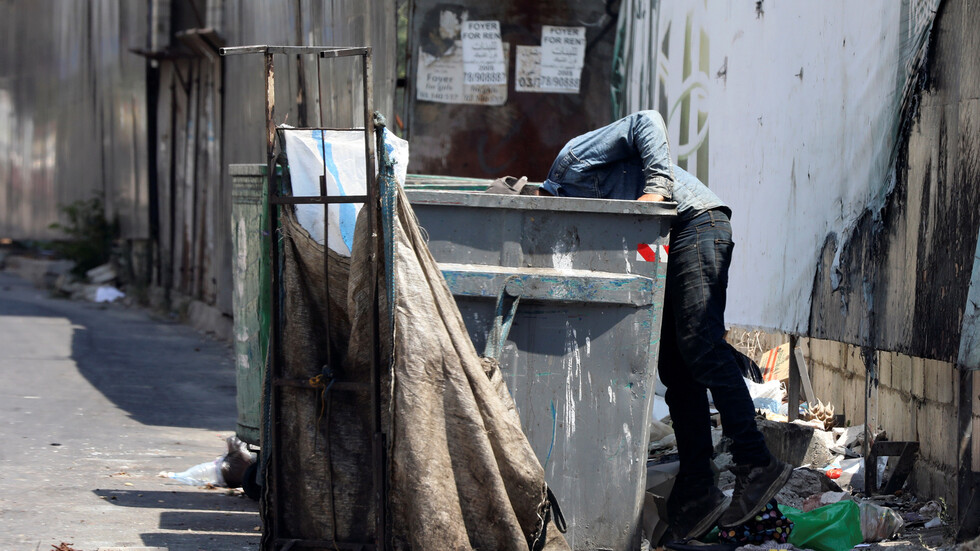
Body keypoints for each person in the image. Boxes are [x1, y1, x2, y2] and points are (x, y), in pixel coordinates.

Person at [537, 111, 792, 540]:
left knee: (701, 343)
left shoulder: (570, 164)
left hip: (696, 222)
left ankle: (756, 461)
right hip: (670, 242)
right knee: (676, 371)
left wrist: (656, 188)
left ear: (543, 201)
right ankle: (698, 488)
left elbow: (647, 121)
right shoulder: (581, 225)